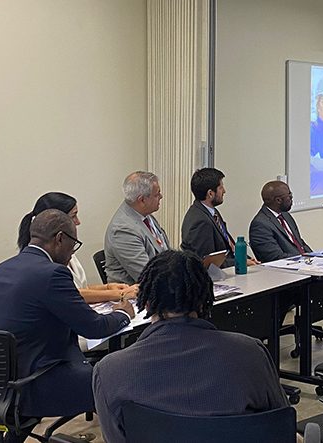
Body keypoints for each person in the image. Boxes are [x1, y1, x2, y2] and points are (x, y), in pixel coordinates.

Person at [92, 250, 288, 443]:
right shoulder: (250, 353)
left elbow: (116, 438)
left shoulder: (110, 370)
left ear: (147, 303)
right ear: (205, 300)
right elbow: (280, 426)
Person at [0, 210, 134, 440]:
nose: (72, 253)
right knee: (118, 380)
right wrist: (124, 313)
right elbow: (94, 328)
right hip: (40, 382)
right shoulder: (53, 274)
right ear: (60, 238)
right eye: (73, 245)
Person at [18, 192, 138, 303]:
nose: (78, 222)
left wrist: (107, 287)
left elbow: (80, 288)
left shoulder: (64, 249)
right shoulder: (44, 260)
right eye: (74, 216)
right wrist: (120, 294)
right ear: (55, 220)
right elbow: (70, 294)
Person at [181, 167, 257, 268]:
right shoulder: (201, 221)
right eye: (221, 188)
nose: (224, 191)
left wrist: (245, 258)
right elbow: (208, 263)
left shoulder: (211, 212)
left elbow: (228, 247)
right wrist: (241, 262)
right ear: (210, 194)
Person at [104, 171, 170, 284]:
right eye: (157, 194)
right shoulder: (123, 230)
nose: (161, 196)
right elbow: (146, 275)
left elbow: (163, 249)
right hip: (133, 294)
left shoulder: (145, 214)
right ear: (142, 200)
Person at [249, 181, 312, 262]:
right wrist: (304, 259)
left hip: (304, 265)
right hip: (286, 270)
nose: (291, 198)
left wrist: (314, 257)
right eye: (289, 196)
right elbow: (275, 257)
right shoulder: (260, 225)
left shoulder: (286, 215)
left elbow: (300, 243)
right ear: (278, 200)